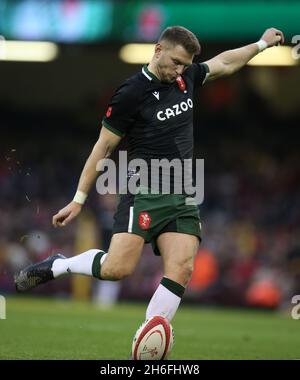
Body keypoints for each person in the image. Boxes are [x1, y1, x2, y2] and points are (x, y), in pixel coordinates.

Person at [15, 26, 284, 324]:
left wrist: (260, 44)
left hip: (182, 191)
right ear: (158, 50)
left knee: (182, 267)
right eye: (176, 62)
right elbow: (103, 148)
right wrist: (78, 199)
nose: (181, 70)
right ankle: (61, 265)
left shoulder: (186, 78)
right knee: (116, 269)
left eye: (186, 64)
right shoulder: (131, 93)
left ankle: (148, 344)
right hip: (145, 189)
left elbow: (225, 62)